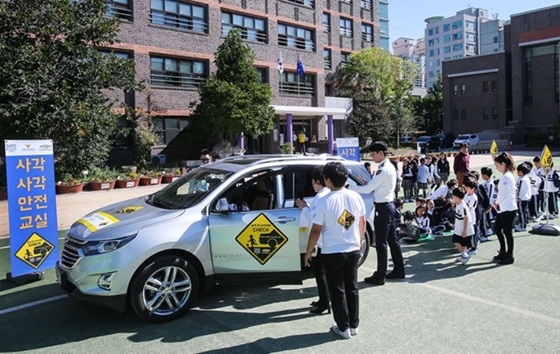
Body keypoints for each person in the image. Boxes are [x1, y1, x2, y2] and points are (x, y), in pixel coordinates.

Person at [305, 162, 366, 339]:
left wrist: (309, 252)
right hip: (353, 248)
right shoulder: (355, 196)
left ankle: (343, 327)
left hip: (333, 251)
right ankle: (354, 324)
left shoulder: (324, 200)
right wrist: (360, 241)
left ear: (328, 180)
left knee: (337, 290)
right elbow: (362, 223)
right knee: (352, 288)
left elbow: (316, 230)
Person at [351, 141, 405, 285]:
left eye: (373, 154)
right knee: (392, 240)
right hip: (389, 206)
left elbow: (369, 188)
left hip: (383, 207)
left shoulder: (384, 169)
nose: (372, 157)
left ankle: (380, 275)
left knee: (381, 242)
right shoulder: (388, 167)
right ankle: (399, 269)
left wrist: (350, 187)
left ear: (381, 153)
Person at [296, 166, 331, 315]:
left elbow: (315, 221)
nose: (312, 185)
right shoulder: (328, 194)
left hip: (323, 243)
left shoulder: (320, 197)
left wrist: (304, 208)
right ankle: (324, 300)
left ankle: (324, 302)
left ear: (318, 181)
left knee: (320, 274)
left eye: (313, 182)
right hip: (330, 242)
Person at [493, 152, 518, 265]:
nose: (497, 167)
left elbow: (502, 193)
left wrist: (496, 203)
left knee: (507, 232)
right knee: (498, 229)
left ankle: (510, 255)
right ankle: (503, 251)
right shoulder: (506, 176)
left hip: (508, 208)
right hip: (504, 208)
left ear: (503, 164)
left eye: (497, 165)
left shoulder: (507, 176)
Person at [451, 187, 475, 265]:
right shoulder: (458, 204)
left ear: (457, 197)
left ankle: (465, 255)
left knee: (456, 241)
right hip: (459, 228)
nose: (452, 197)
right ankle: (464, 255)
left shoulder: (463, 206)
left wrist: (464, 230)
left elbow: (466, 218)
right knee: (463, 244)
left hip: (464, 229)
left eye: (453, 196)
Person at [515, 163, 532, 232]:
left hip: (522, 198)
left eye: (518, 171)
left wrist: (517, 198)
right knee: (524, 211)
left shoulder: (522, 180)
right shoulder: (525, 178)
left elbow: (519, 190)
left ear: (522, 172)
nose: (517, 173)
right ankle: (524, 223)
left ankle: (522, 226)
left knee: (521, 212)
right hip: (526, 197)